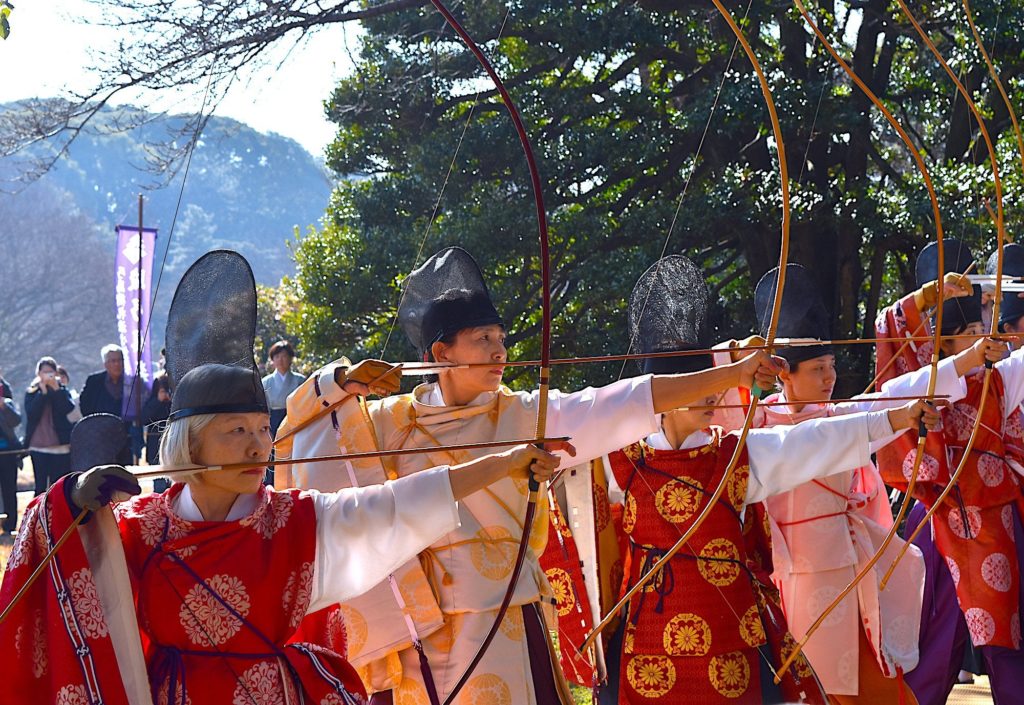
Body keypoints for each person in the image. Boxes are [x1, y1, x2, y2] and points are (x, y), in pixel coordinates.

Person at [0, 249, 569, 705]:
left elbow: (400, 501)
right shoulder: (141, 527)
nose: (258, 446)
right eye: (235, 432)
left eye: (260, 429)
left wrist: (506, 462)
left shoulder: (293, 518)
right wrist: (72, 499)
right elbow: (69, 564)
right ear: (191, 444)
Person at [275, 247, 789, 705]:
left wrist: (730, 373)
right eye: (483, 339)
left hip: (506, 614)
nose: (500, 351)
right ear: (442, 353)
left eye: (500, 338)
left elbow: (623, 401)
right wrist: (339, 381)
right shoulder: (389, 421)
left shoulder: (526, 414)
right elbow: (301, 435)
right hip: (421, 622)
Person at [604, 257, 939, 704]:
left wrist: (897, 417)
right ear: (665, 395)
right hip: (650, 631)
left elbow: (814, 441)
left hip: (730, 632)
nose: (712, 393)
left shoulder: (736, 452)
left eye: (713, 382)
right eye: (696, 386)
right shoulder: (617, 458)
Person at [741, 265, 1004, 704]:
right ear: (784, 375)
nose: (829, 378)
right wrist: (738, 360)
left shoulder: (838, 415)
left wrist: (970, 358)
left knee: (870, 682)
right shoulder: (759, 423)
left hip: (850, 566)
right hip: (795, 573)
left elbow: (898, 393)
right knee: (821, 685)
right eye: (817, 369)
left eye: (831, 367)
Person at [875, 239, 1024, 705]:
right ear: (944, 343)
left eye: (984, 330)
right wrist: (927, 297)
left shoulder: (1000, 377)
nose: (982, 341)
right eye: (970, 334)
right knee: (932, 639)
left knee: (1005, 637)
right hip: (937, 515)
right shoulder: (931, 379)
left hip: (992, 518)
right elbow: (894, 336)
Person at [80, 344, 146, 461]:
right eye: (113, 361)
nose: (117, 364)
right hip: (100, 438)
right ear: (105, 364)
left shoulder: (133, 382)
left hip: (126, 438)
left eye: (120, 360)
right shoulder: (94, 382)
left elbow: (142, 406)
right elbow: (85, 406)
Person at [23, 356, 74, 495]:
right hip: (38, 446)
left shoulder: (61, 390)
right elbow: (31, 414)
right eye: (44, 372)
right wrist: (43, 393)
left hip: (60, 446)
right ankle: (39, 510)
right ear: (38, 374)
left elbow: (67, 408)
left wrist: (56, 390)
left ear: (56, 373)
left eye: (50, 372)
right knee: (40, 488)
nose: (48, 375)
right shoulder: (32, 392)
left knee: (59, 488)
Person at [262, 340, 306, 437]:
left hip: (295, 421)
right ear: (272, 359)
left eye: (284, 356)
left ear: (290, 358)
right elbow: (263, 408)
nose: (280, 360)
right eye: (277, 356)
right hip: (273, 422)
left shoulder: (300, 380)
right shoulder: (265, 382)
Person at [142, 367, 172, 491]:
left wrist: (170, 402)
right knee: (159, 487)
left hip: (172, 447)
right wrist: (158, 401)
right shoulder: (151, 402)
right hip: (155, 449)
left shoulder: (176, 402)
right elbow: (144, 419)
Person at [0, 370, 23, 534]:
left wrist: (3, 407)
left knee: (9, 489)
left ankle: (10, 524)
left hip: (8, 453)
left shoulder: (7, 403)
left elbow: (16, 421)